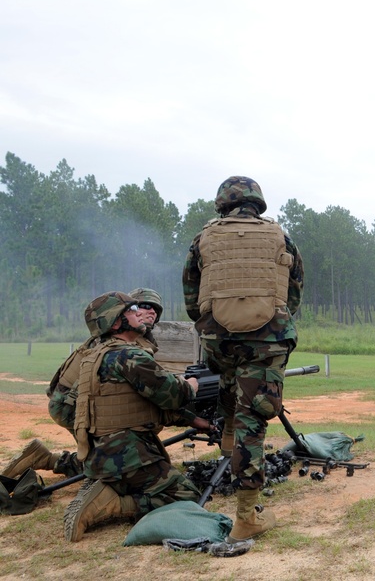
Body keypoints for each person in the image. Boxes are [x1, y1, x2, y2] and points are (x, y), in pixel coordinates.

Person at [182, 175, 304, 543]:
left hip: (219, 339)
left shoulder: (203, 238)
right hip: (267, 339)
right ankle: (246, 517)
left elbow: (191, 296)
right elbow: (294, 291)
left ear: (222, 204)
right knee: (255, 418)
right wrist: (270, 322)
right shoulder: (280, 237)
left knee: (231, 397)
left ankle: (228, 445)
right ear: (258, 203)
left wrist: (218, 327)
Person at [62, 291, 208, 542]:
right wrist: (191, 385)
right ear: (116, 322)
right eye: (130, 310)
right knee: (186, 494)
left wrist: (191, 419)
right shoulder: (130, 356)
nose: (138, 313)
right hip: (128, 457)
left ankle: (105, 486)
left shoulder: (95, 356)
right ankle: (112, 503)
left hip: (98, 455)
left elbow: (139, 405)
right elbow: (173, 395)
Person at [3, 288, 168, 481]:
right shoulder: (124, 342)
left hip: (73, 402)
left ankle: (45, 458)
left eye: (155, 309)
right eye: (144, 306)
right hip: (74, 406)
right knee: (113, 465)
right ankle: (47, 460)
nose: (151, 311)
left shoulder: (121, 337)